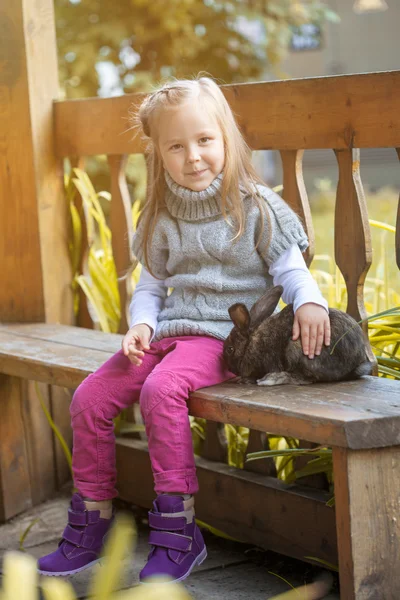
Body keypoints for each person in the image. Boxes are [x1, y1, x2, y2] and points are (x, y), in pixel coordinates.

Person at [38, 76, 330, 583]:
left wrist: (310, 302)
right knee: (90, 397)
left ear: (226, 139)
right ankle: (91, 522)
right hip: (169, 334)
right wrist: (141, 325)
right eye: (177, 146)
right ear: (158, 154)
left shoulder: (255, 205)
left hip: (226, 338)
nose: (193, 156)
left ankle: (178, 532)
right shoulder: (160, 215)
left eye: (204, 141)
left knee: (161, 390)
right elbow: (151, 287)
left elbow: (290, 269)